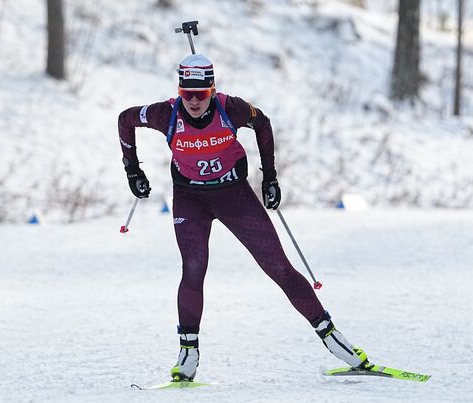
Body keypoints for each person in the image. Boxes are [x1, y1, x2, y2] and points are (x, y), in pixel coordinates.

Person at [118, 54, 369, 382]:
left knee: (278, 267)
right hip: (190, 198)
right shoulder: (165, 113)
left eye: (201, 93)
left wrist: (270, 178)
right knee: (193, 266)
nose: (193, 101)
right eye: (186, 93)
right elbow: (125, 119)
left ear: (212, 89)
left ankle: (337, 342)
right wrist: (132, 170)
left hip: (233, 195)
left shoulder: (230, 108)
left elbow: (262, 123)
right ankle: (188, 354)